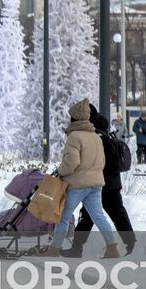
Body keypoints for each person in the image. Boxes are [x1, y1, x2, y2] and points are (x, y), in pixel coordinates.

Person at [44, 99, 121, 258]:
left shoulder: (74, 136)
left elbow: (72, 162)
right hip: (96, 184)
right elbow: (102, 161)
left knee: (63, 217)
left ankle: (54, 250)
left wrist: (60, 171)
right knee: (98, 216)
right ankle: (112, 248)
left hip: (78, 184)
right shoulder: (96, 136)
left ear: (75, 118)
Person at [67, 104, 136, 255]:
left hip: (99, 180)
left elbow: (90, 159)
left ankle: (77, 248)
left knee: (89, 215)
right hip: (112, 180)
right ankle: (131, 244)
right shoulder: (102, 130)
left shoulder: (94, 134)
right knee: (116, 214)